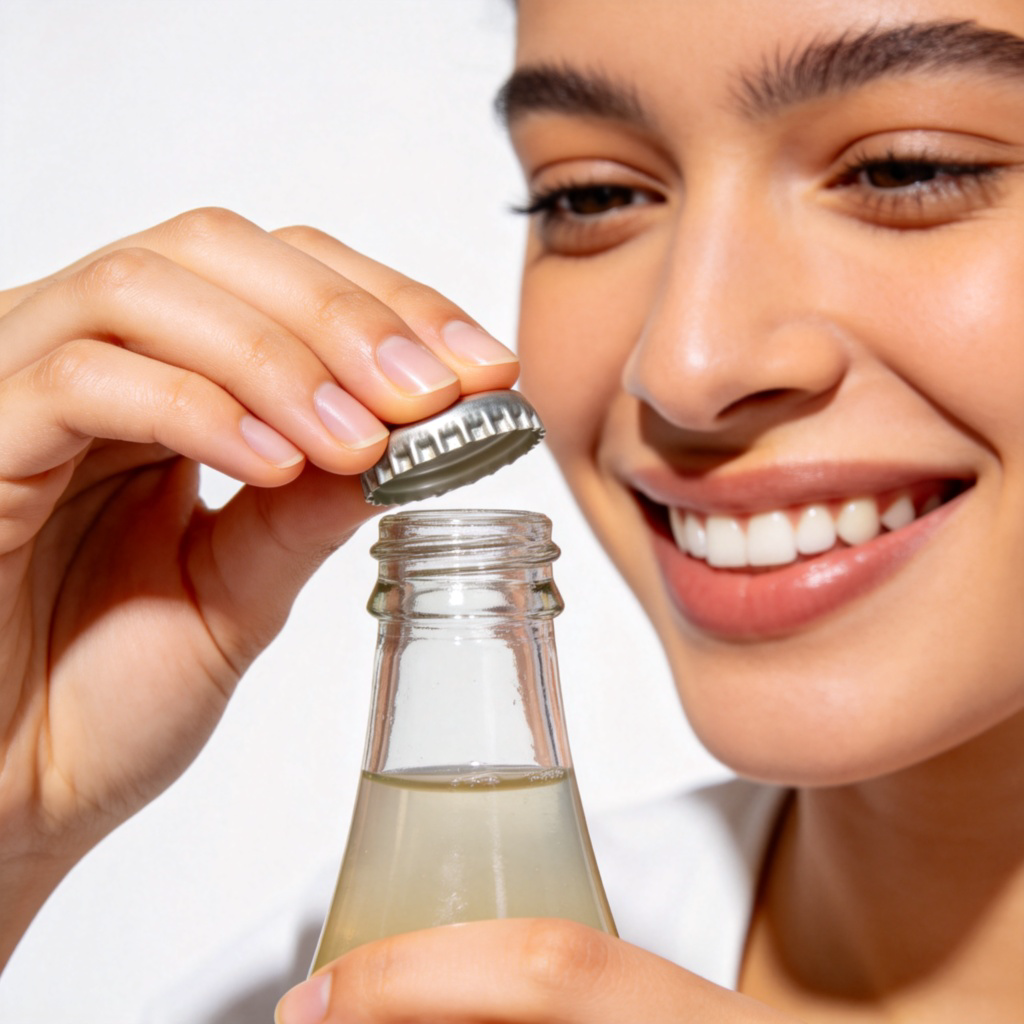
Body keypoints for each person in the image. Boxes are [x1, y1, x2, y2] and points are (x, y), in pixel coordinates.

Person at [2, 0, 1022, 1021]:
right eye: (589, 194)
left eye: (907, 170)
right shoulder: (391, 970)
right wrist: (14, 834)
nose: (682, 363)